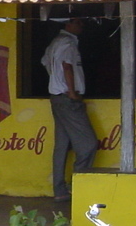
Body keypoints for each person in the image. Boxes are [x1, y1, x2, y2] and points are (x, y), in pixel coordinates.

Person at [41, 17, 99, 201]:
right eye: (78, 22)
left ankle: (60, 190)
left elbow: (45, 63)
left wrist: (56, 82)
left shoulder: (54, 44)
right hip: (67, 98)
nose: (82, 25)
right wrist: (72, 92)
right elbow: (67, 67)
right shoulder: (68, 43)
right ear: (68, 24)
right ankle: (78, 184)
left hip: (56, 97)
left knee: (62, 146)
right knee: (89, 144)